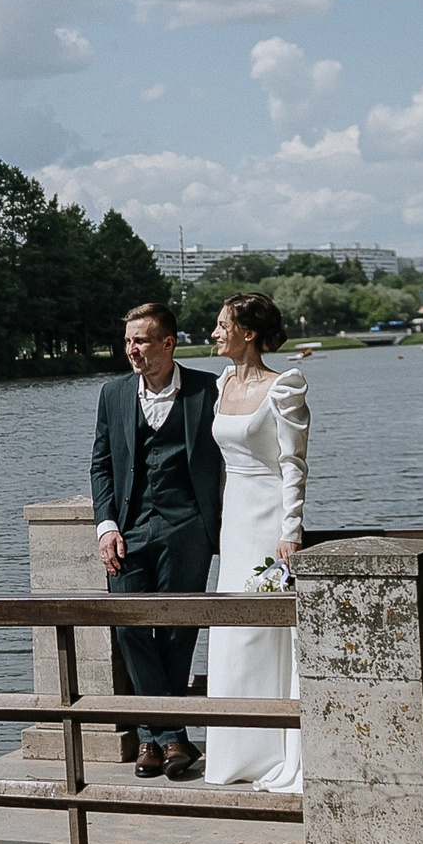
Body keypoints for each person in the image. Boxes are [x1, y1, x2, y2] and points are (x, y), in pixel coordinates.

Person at [90, 301, 225, 781]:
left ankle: (153, 740)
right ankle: (169, 737)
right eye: (128, 341)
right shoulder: (114, 393)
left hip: (187, 527)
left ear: (168, 343)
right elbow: (102, 463)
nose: (132, 350)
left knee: (177, 630)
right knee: (128, 627)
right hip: (129, 528)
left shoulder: (210, 389)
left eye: (141, 340)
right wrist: (105, 524)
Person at [203, 292, 309, 793]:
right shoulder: (222, 383)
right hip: (234, 520)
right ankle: (233, 755)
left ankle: (274, 750)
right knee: (230, 632)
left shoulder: (284, 386)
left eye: (223, 325)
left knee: (263, 631)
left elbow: (293, 464)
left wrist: (290, 530)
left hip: (268, 520)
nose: (215, 333)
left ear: (249, 333)